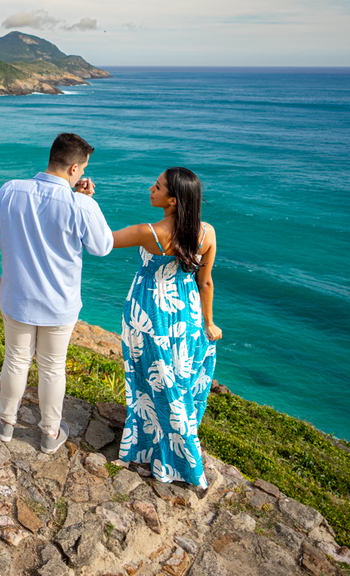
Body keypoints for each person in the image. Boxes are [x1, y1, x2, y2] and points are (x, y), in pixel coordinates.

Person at [0, 132, 113, 454]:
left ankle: (6, 422)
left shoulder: (10, 190)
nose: (81, 175)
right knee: (53, 367)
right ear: (73, 169)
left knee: (16, 359)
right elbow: (103, 246)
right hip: (59, 306)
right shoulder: (80, 204)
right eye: (81, 169)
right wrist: (88, 203)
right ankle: (50, 434)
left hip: (17, 297)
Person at [111, 167, 220, 487]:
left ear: (172, 201)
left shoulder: (151, 232)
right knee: (175, 386)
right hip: (185, 317)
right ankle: (170, 448)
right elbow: (207, 282)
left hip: (148, 318)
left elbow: (102, 241)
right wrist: (209, 323)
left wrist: (82, 200)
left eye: (157, 187)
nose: (150, 188)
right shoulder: (207, 233)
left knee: (146, 384)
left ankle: (164, 453)